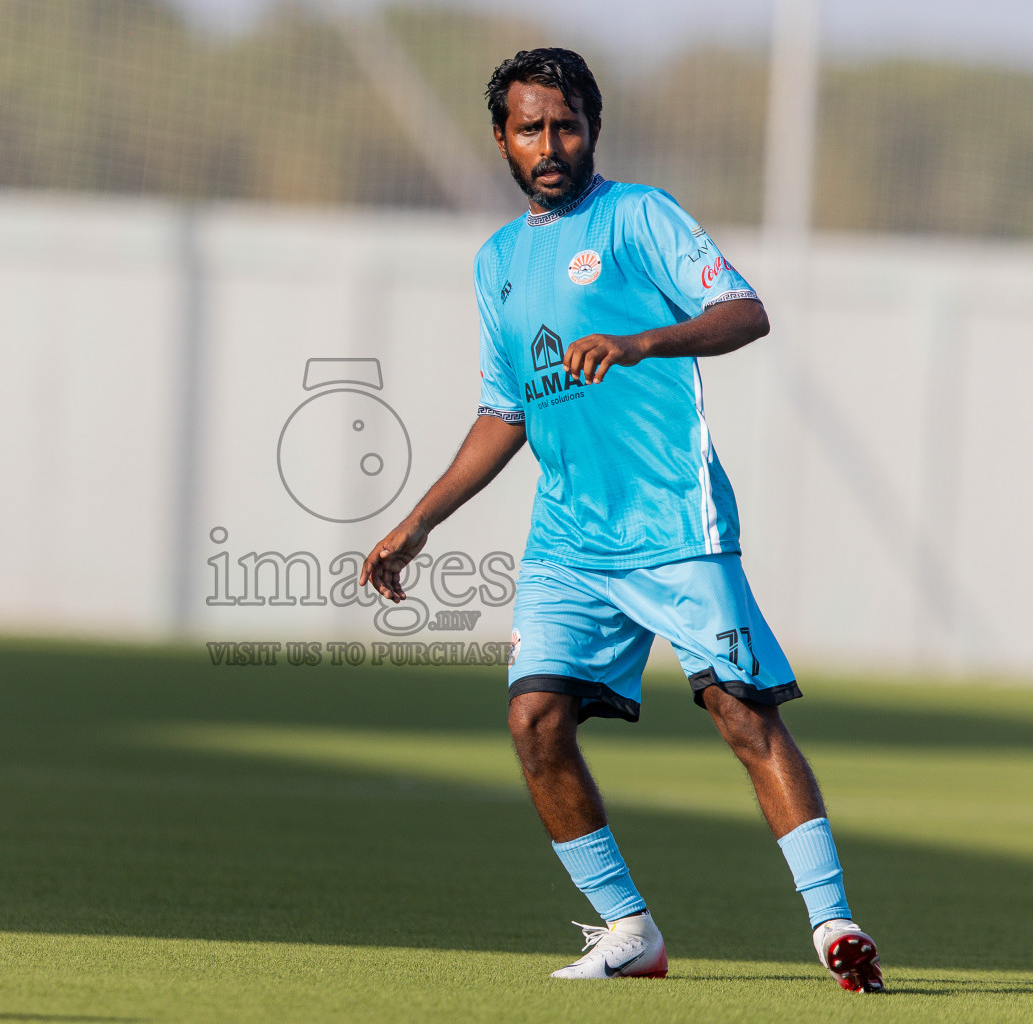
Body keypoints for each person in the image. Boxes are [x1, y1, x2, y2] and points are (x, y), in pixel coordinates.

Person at [359, 47, 883, 993]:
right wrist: (419, 521)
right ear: (502, 138)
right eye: (530, 128)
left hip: (674, 520)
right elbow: (504, 411)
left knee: (738, 710)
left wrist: (644, 340)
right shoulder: (497, 262)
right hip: (568, 537)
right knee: (534, 720)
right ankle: (629, 931)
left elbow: (744, 310)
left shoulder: (638, 215)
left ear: (592, 127)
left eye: (566, 125)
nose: (550, 145)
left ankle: (833, 923)